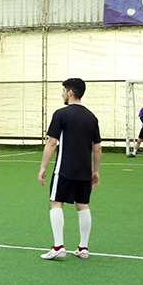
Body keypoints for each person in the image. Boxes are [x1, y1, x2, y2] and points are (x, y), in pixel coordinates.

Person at [37, 78, 102, 260]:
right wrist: (95, 171)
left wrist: (43, 167)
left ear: (70, 92)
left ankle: (58, 247)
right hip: (84, 170)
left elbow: (52, 142)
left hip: (64, 169)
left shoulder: (61, 114)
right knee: (83, 205)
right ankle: (83, 248)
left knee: (55, 202)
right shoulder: (91, 117)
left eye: (64, 91)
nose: (62, 94)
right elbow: (97, 147)